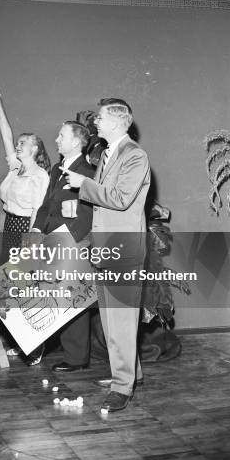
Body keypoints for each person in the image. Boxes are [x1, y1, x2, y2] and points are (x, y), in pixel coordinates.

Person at [65, 98, 150, 413]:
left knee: (121, 322)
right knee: (114, 321)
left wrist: (82, 184)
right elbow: (102, 203)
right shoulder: (108, 154)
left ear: (117, 121)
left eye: (99, 118)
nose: (95, 122)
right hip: (106, 248)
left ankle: (122, 388)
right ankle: (130, 374)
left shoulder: (135, 155)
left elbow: (120, 198)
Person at [0, 87, 50, 365]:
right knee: (5, 287)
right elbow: (5, 135)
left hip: (27, 230)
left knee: (26, 289)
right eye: (20, 142)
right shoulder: (15, 167)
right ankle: (16, 341)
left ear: (35, 150)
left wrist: (31, 243)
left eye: (25, 142)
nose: (19, 144)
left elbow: (38, 209)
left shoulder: (41, 175)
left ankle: (35, 347)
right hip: (9, 227)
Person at [32, 120, 94, 372]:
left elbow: (86, 217)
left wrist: (63, 241)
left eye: (61, 135)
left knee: (73, 299)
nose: (56, 140)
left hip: (70, 242)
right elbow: (46, 205)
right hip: (49, 240)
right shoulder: (57, 169)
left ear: (77, 141)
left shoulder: (88, 172)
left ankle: (77, 358)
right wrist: (36, 229)